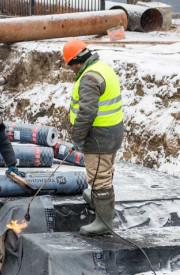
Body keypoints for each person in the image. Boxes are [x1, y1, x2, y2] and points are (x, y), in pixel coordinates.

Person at [63, 39, 124, 235]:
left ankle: (104, 223)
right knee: (105, 171)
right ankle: (99, 199)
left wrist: (78, 138)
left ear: (77, 61)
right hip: (111, 132)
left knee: (99, 177)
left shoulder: (89, 78)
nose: (71, 69)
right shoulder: (102, 67)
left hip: (98, 136)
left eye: (71, 65)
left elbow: (86, 112)